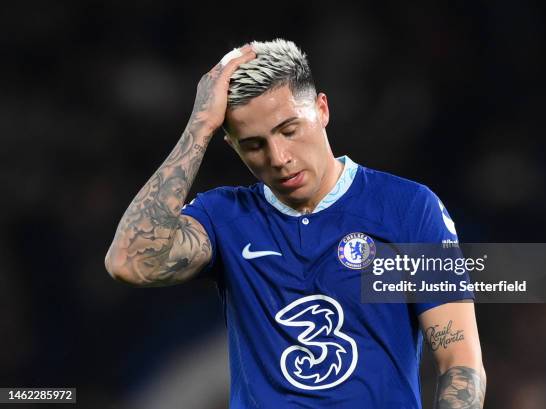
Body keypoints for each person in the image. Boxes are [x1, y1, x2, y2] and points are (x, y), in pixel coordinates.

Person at [105, 39, 486, 408]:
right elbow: (130, 261)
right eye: (253, 144)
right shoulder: (224, 217)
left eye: (289, 130)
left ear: (322, 109)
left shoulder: (408, 208)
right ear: (232, 145)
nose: (279, 157)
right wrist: (200, 127)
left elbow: (459, 361)